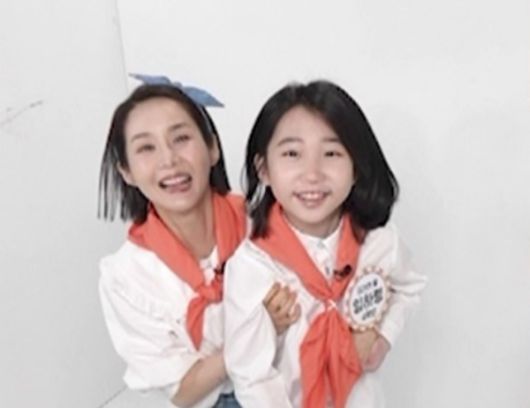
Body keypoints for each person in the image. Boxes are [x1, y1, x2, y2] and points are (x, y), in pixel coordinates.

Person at [224, 80, 427, 408]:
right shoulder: (252, 266)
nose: (312, 174)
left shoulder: (379, 243)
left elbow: (409, 287)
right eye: (292, 154)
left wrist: (383, 338)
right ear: (264, 170)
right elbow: (251, 374)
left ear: (356, 167)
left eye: (331, 153)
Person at [98, 81, 299, 408]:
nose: (169, 160)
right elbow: (183, 391)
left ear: (212, 148)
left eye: (181, 138)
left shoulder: (265, 224)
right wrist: (257, 330)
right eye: (146, 148)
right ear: (127, 171)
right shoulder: (126, 276)